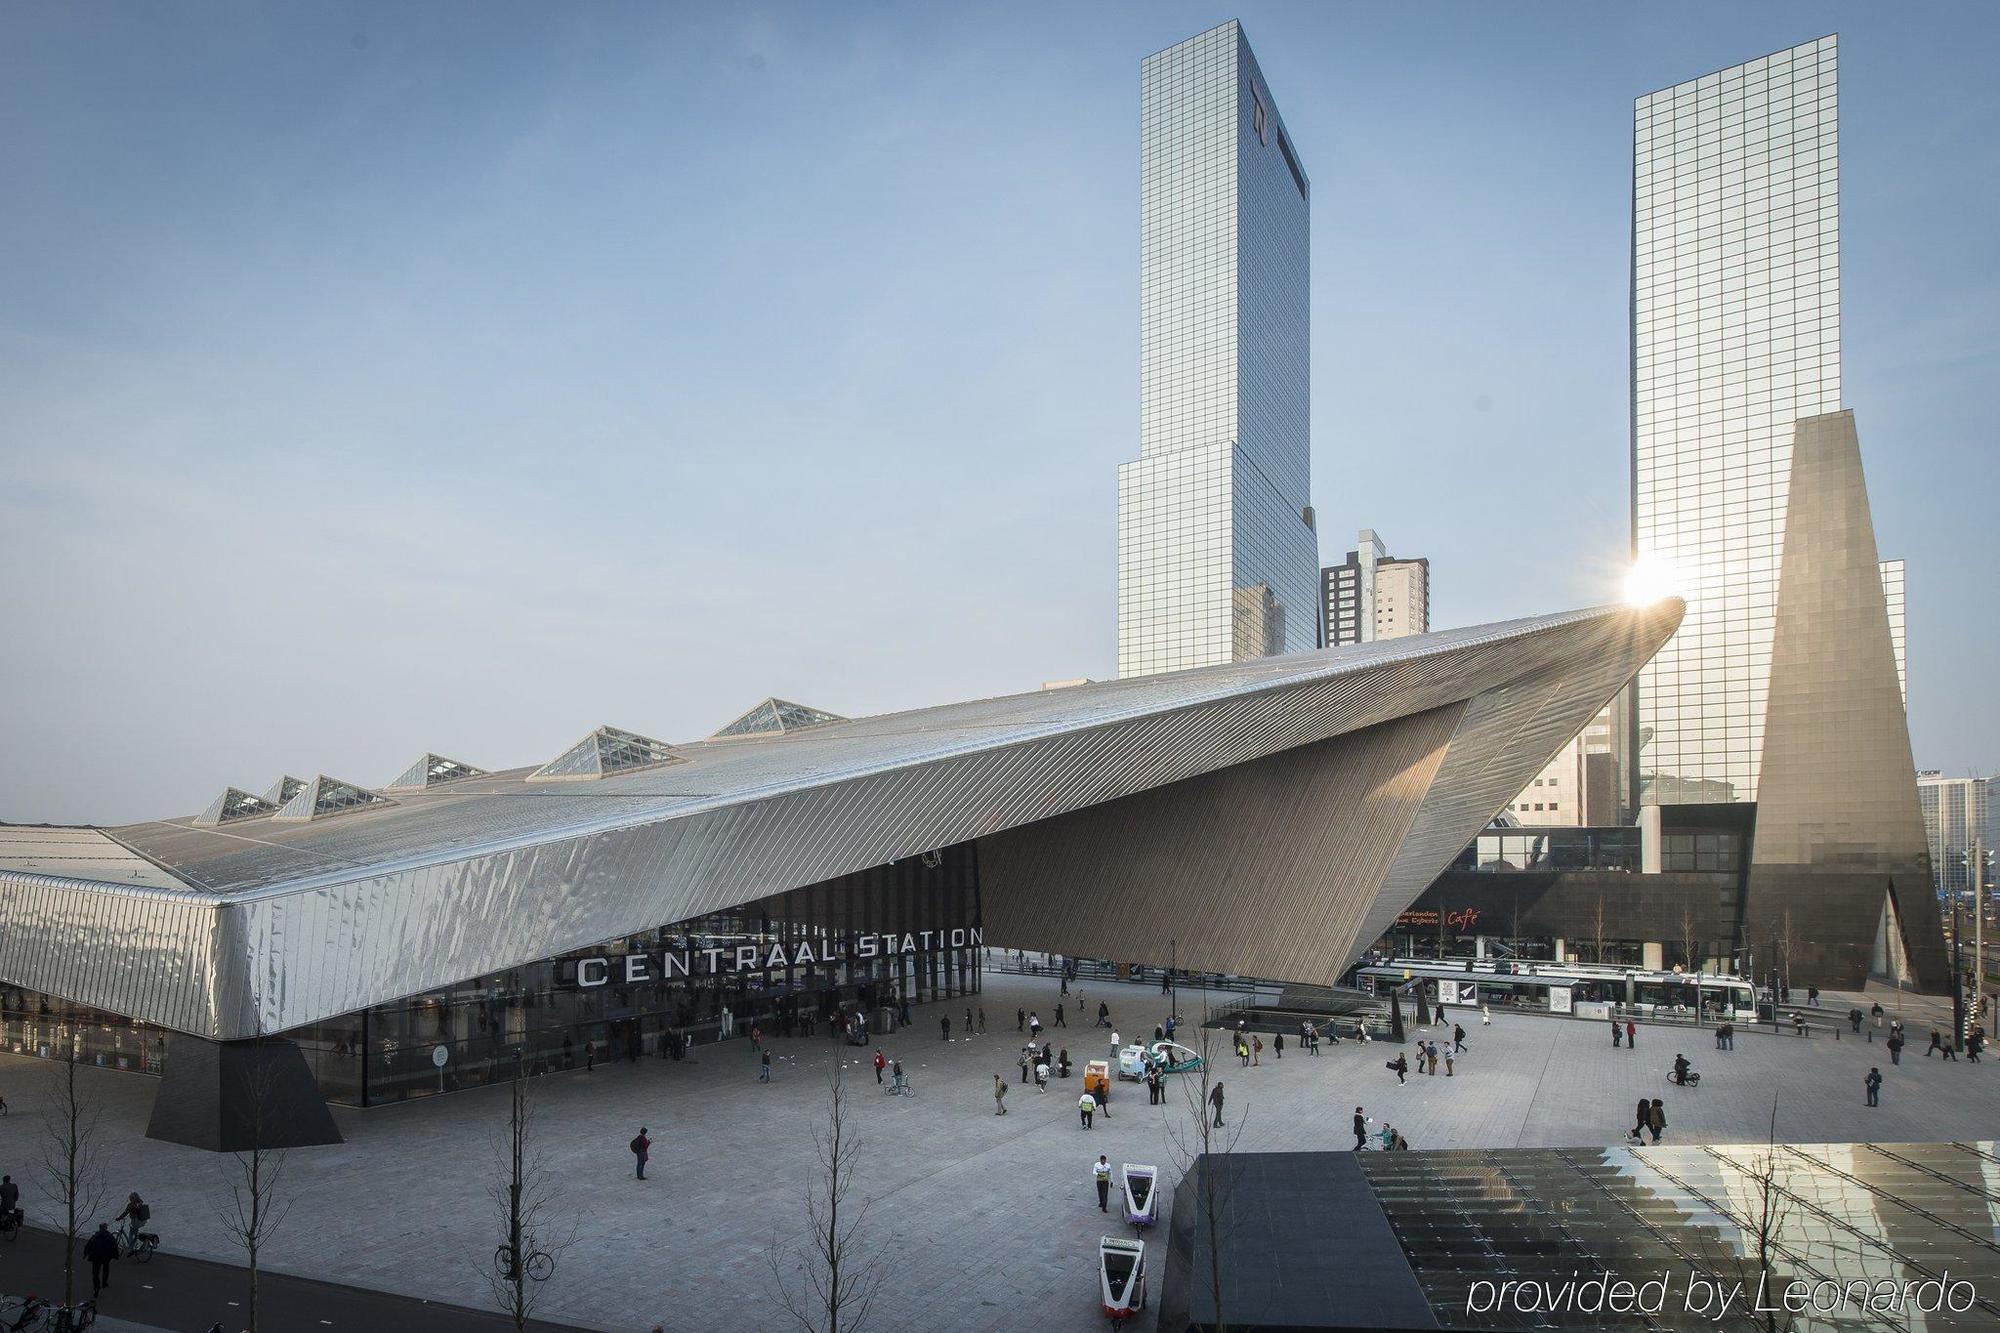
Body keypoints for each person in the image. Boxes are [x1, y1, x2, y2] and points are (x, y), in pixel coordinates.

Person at [85, 1221, 118, 1297]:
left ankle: (96, 1287)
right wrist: (115, 1256)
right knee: (106, 1269)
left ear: (99, 1228)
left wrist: (86, 1253)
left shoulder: (95, 1236)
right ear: (106, 1228)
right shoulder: (110, 1236)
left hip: (96, 1256)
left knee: (95, 1273)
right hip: (106, 1256)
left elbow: (89, 1245)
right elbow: (114, 1246)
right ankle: (104, 1283)